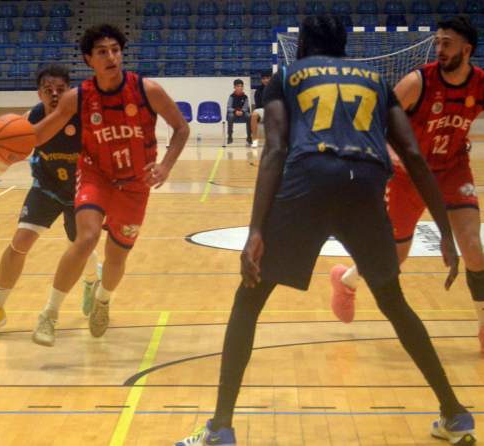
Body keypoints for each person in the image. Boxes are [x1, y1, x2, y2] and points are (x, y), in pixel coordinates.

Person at [176, 15, 475, 446]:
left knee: (249, 300)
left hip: (309, 182)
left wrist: (256, 229)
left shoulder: (288, 77)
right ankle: (454, 413)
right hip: (366, 188)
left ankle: (220, 428)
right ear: (342, 46)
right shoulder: (376, 81)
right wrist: (444, 230)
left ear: (302, 45)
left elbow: (276, 148)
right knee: (394, 303)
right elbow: (411, 152)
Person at [0, 24, 189, 346]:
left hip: (135, 183)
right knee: (87, 237)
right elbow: (39, 133)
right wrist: (5, 137)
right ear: (88, 59)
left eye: (115, 50)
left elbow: (181, 128)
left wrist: (165, 166)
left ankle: (102, 300)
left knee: (116, 257)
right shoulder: (77, 98)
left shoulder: (147, 90)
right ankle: (49, 314)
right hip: (96, 176)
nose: (111, 57)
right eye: (102, 52)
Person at [330, 16, 484, 354]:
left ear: (467, 50)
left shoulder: (480, 83)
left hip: (452, 170)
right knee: (394, 257)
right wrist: (389, 154)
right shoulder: (418, 82)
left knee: (473, 247)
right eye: (438, 42)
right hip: (408, 175)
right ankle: (346, 280)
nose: (439, 48)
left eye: (447, 43)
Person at [0, 65, 100, 335]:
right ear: (39, 94)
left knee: (79, 248)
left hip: (80, 190)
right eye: (48, 90)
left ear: (69, 92)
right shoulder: (30, 120)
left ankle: (92, 279)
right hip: (46, 187)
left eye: (60, 89)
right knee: (20, 242)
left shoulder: (84, 118)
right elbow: (4, 158)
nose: (54, 94)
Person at [226, 79, 252, 146]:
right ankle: (230, 136)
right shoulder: (231, 96)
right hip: (234, 113)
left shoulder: (245, 97)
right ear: (234, 87)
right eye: (238, 86)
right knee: (230, 116)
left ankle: (249, 137)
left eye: (241, 86)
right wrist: (235, 111)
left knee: (248, 116)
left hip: (242, 113)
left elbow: (246, 107)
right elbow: (229, 107)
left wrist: (242, 111)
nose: (240, 88)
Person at [250, 71, 272, 148]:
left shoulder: (277, 88)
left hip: (273, 109)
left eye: (268, 78)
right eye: (264, 78)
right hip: (262, 109)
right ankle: (255, 140)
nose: (266, 80)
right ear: (261, 80)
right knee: (254, 115)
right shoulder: (258, 91)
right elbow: (258, 105)